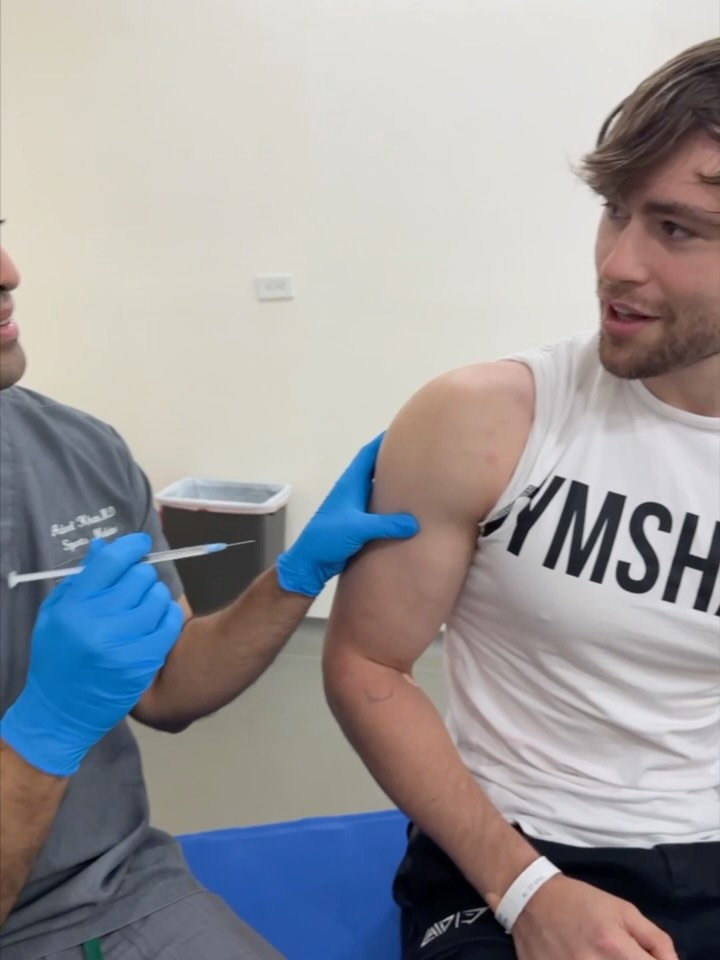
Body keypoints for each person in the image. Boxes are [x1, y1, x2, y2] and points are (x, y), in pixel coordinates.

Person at [323, 37, 720, 960]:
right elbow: (368, 666)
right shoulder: (486, 418)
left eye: (676, 229)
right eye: (614, 211)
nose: (617, 264)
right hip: (518, 850)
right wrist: (526, 888)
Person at [0, 239, 419, 960]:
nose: (8, 273)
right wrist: (45, 731)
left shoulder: (79, 449)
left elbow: (168, 685)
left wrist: (295, 576)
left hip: (114, 888)